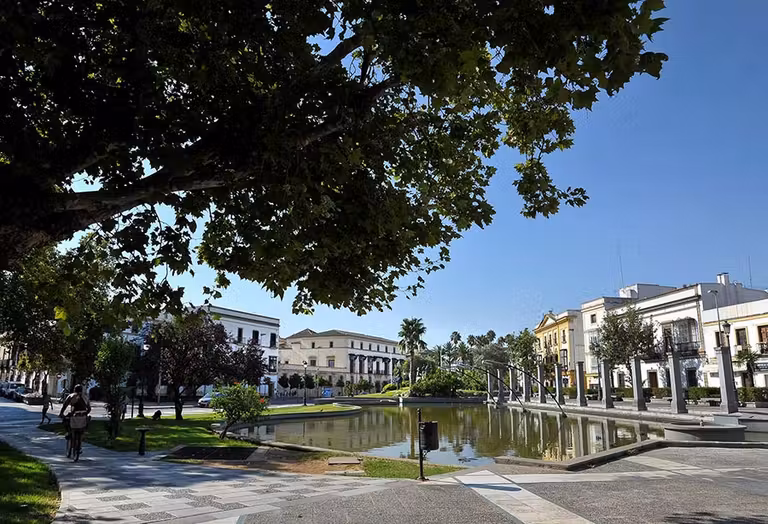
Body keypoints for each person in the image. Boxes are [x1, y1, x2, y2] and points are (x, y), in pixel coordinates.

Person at [59, 385, 91, 459]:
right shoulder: (85, 397)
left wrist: (61, 413)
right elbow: (89, 409)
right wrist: (85, 413)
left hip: (74, 417)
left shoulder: (71, 396)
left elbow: (65, 405)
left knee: (66, 422)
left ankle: (68, 433)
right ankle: (80, 443)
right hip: (83, 417)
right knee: (82, 430)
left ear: (74, 389)